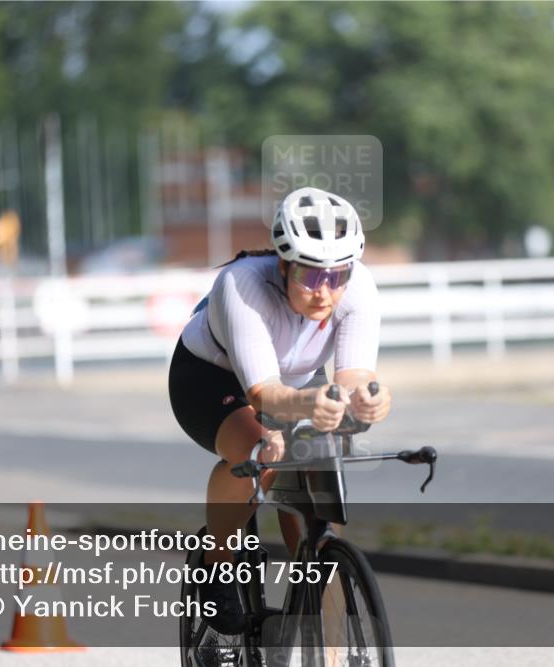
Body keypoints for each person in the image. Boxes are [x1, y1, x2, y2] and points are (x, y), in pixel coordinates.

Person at [168, 187, 392, 634]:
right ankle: (215, 563)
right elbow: (263, 394)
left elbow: (352, 376)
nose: (324, 292)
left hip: (297, 381)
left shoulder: (359, 288)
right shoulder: (243, 285)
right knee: (262, 451)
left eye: (337, 276)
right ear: (284, 264)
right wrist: (309, 404)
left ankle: (320, 616)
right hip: (213, 377)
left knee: (319, 484)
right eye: (310, 276)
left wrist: (371, 397)